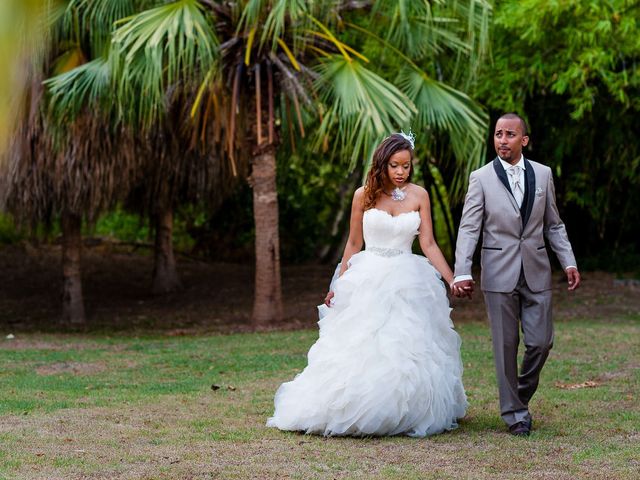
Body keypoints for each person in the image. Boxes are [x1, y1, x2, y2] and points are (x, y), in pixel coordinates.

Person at [266, 132, 467, 437]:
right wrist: (339, 282)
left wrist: (453, 279)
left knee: (408, 345)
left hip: (408, 278)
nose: (401, 172)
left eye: (406, 166)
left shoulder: (420, 196)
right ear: (382, 164)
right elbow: (353, 243)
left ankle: (409, 409)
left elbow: (428, 243)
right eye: (395, 166)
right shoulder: (364, 195)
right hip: (368, 275)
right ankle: (353, 406)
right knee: (362, 342)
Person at [453, 113, 581, 437]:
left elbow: (553, 224)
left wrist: (568, 262)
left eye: (510, 134)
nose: (502, 140)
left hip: (536, 270)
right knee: (505, 346)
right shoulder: (480, 178)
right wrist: (462, 271)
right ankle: (515, 415)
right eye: (498, 134)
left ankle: (517, 396)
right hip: (498, 273)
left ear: (523, 140)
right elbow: (469, 229)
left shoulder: (543, 174)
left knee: (541, 342)